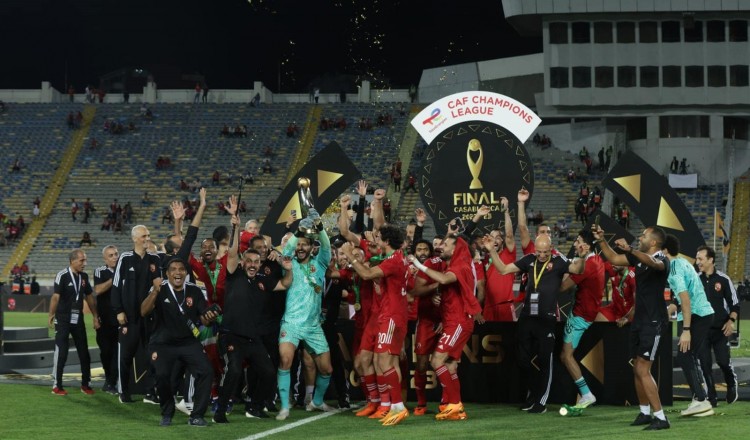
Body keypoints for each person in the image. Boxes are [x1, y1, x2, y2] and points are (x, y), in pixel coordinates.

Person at [483, 234, 584, 414]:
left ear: (551, 248)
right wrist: (491, 251)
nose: (542, 255)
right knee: (522, 359)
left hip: (547, 318)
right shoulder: (529, 259)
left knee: (545, 360)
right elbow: (504, 269)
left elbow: (577, 269)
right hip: (527, 317)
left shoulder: (559, 260)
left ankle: (541, 402)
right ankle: (532, 395)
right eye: (539, 252)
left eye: (545, 252)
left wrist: (581, 256)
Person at [213, 207, 293, 423]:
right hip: (231, 335)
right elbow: (232, 253)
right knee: (234, 370)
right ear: (242, 262)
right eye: (249, 261)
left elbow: (285, 284)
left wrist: (288, 268)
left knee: (268, 372)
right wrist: (236, 227)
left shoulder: (263, 280)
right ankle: (220, 411)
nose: (252, 265)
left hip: (253, 338)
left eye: (256, 262)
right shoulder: (234, 274)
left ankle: (254, 406)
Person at [593, 225, 671, 430]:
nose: (640, 237)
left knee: (643, 369)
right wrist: (601, 240)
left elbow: (654, 264)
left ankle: (661, 417)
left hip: (653, 322)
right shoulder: (639, 258)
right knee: (637, 367)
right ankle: (645, 413)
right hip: (639, 321)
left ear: (653, 242)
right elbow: (613, 258)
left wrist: (630, 250)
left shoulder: (662, 259)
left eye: (644, 236)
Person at [409, 233, 483, 421]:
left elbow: (444, 280)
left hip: (458, 322)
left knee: (436, 361)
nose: (441, 247)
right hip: (453, 321)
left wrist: (418, 265)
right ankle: (457, 408)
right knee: (449, 365)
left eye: (446, 244)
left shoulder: (460, 266)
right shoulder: (455, 265)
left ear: (456, 249)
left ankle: (454, 404)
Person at [341, 223, 410, 426]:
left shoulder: (393, 261)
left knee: (385, 363)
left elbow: (367, 275)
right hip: (389, 315)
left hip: (391, 316)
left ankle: (397, 406)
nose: (375, 239)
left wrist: (350, 255)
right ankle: (394, 406)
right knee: (382, 362)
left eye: (379, 237)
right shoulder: (396, 258)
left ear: (387, 241)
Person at [140, 258, 219, 427]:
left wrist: (209, 318)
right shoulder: (159, 289)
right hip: (162, 343)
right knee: (162, 375)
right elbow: (143, 311)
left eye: (181, 269)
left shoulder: (194, 290)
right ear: (167, 274)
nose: (178, 272)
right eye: (173, 270)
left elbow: (203, 319)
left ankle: (197, 415)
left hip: (188, 342)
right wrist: (154, 292)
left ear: (186, 273)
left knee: (206, 371)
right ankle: (167, 412)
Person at [275, 208, 336, 421]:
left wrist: (319, 226)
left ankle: (317, 401)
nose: (300, 247)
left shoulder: (320, 264)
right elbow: (286, 251)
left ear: (311, 247)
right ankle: (284, 406)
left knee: (326, 369)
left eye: (305, 244)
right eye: (298, 244)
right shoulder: (288, 264)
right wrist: (299, 231)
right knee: (285, 360)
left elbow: (326, 247)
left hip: (312, 326)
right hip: (291, 323)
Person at [662, 235, 714, 417]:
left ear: (664, 251)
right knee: (688, 356)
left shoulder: (673, 270)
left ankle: (701, 399)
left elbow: (685, 299)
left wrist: (686, 330)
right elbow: (686, 294)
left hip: (698, 315)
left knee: (685, 356)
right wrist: (673, 306)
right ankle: (700, 399)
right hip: (701, 314)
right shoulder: (682, 262)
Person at [111, 225, 163, 404]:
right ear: (134, 239)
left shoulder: (154, 259)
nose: (147, 238)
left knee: (152, 355)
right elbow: (116, 286)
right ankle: (123, 391)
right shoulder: (125, 258)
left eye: (148, 235)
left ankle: (150, 392)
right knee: (125, 356)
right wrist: (118, 310)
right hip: (129, 318)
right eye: (143, 236)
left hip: (149, 317)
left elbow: (158, 286)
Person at [558, 230, 604, 409]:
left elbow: (562, 287)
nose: (574, 244)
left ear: (586, 245)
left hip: (580, 316)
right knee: (566, 355)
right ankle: (586, 394)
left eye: (578, 241)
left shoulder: (586, 266)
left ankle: (586, 394)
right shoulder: (597, 259)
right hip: (587, 313)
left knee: (566, 356)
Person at [49, 249, 100, 395]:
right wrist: (51, 314)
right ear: (72, 261)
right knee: (62, 352)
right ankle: (57, 385)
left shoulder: (84, 276)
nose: (85, 263)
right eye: (82, 260)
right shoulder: (62, 275)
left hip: (78, 319)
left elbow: (89, 297)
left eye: (85, 260)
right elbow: (55, 297)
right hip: (63, 319)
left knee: (84, 352)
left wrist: (95, 316)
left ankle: (86, 384)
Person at [695, 245, 740, 407]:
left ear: (710, 260)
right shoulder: (695, 279)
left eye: (700, 259)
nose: (697, 262)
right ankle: (711, 398)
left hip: (720, 330)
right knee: (704, 364)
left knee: (723, 362)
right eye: (697, 258)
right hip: (701, 331)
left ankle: (731, 383)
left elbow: (735, 305)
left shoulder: (723, 279)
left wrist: (730, 321)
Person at [94, 245, 121, 394]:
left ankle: (112, 382)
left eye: (116, 254)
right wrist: (115, 277)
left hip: (121, 320)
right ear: (105, 259)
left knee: (118, 353)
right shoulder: (100, 271)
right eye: (111, 255)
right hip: (104, 320)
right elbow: (98, 290)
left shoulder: (124, 271)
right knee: (106, 352)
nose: (115, 257)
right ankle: (109, 379)